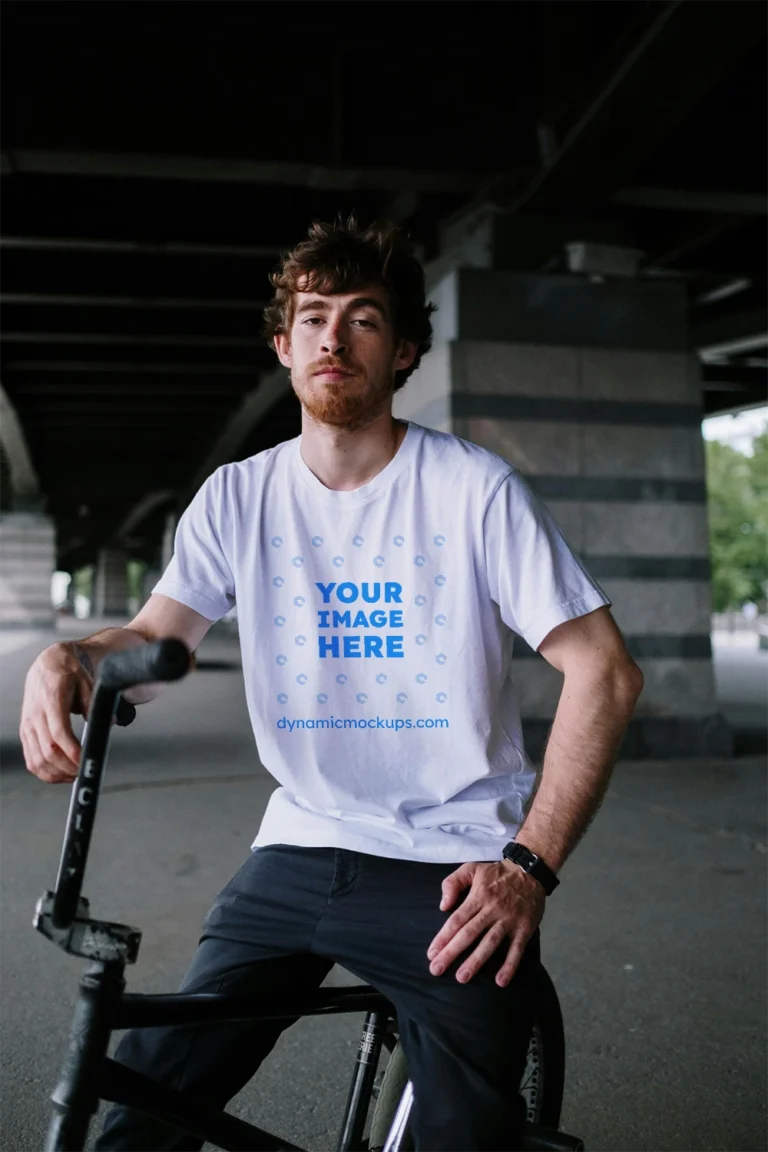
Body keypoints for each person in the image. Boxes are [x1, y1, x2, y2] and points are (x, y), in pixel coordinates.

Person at [21, 216, 644, 1152]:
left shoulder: (473, 490)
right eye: (313, 317)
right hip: (302, 842)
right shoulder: (239, 496)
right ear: (284, 345)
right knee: (143, 1100)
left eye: (362, 319)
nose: (332, 337)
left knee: (461, 1134)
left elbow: (605, 670)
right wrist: (67, 659)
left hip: (455, 859)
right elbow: (158, 641)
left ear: (403, 352)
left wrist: (528, 868)